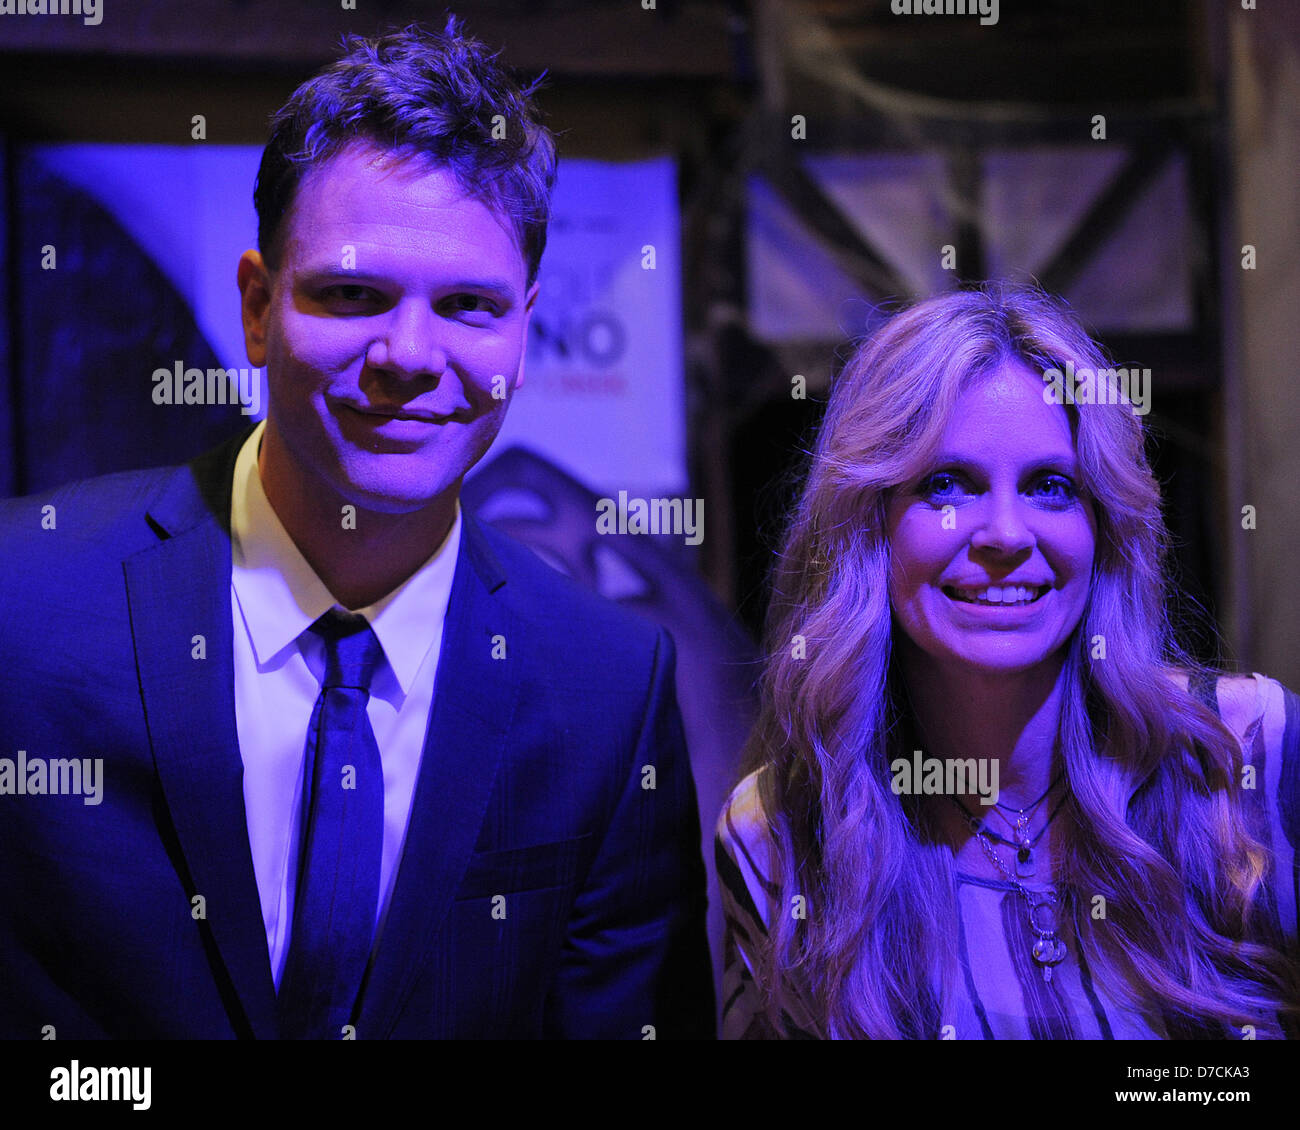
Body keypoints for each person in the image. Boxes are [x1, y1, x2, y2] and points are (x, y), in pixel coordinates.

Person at [0, 20, 714, 1040]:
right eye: (352, 294)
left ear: (525, 321)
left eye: (469, 305)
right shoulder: (23, 607)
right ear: (256, 306)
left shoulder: (604, 689)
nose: (409, 355)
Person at [716, 284, 1300, 1040]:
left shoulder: (1245, 753)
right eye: (946, 484)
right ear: (869, 528)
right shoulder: (779, 835)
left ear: (1103, 526)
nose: (1003, 533)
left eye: (1050, 487)